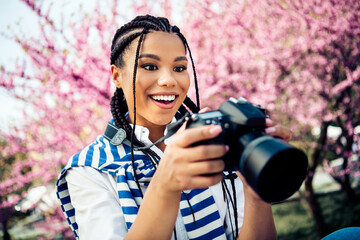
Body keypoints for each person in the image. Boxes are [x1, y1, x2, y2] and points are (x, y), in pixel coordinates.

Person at [56, 15, 292, 240]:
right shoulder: (89, 169)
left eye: (179, 68)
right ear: (116, 76)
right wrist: (166, 184)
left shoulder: (215, 140)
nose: (169, 80)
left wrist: (257, 191)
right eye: (149, 66)